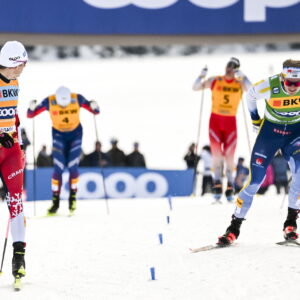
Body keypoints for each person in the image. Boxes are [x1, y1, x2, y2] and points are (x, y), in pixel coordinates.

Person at [217, 59, 300, 246]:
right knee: (255, 181)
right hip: (270, 135)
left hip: (295, 134)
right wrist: (255, 120)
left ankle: (291, 223)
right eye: (289, 83)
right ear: (282, 78)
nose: (293, 87)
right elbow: (250, 95)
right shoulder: (270, 85)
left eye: (297, 84)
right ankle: (234, 228)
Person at [27, 86, 100, 215]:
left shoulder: (77, 98)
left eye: (66, 105)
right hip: (59, 136)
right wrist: (31, 107)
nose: (64, 108)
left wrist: (94, 105)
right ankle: (55, 202)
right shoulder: (49, 101)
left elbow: (95, 111)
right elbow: (30, 115)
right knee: (58, 168)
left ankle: (72, 198)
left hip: (75, 136)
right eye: (62, 105)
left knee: (73, 166)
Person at [193, 57, 251, 202]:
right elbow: (195, 87)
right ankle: (217, 184)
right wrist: (201, 75)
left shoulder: (239, 83)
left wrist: (242, 75)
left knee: (230, 156)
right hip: (215, 121)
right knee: (217, 155)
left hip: (230, 121)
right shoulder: (215, 80)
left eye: (233, 67)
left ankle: (230, 185)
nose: (229, 68)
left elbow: (251, 89)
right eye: (228, 66)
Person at [0, 41, 28, 282]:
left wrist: (19, 134)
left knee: (16, 201)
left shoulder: (16, 82)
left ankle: (19, 257)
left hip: (10, 150)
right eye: (20, 64)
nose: (23, 68)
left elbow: (12, 113)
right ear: (10, 63)